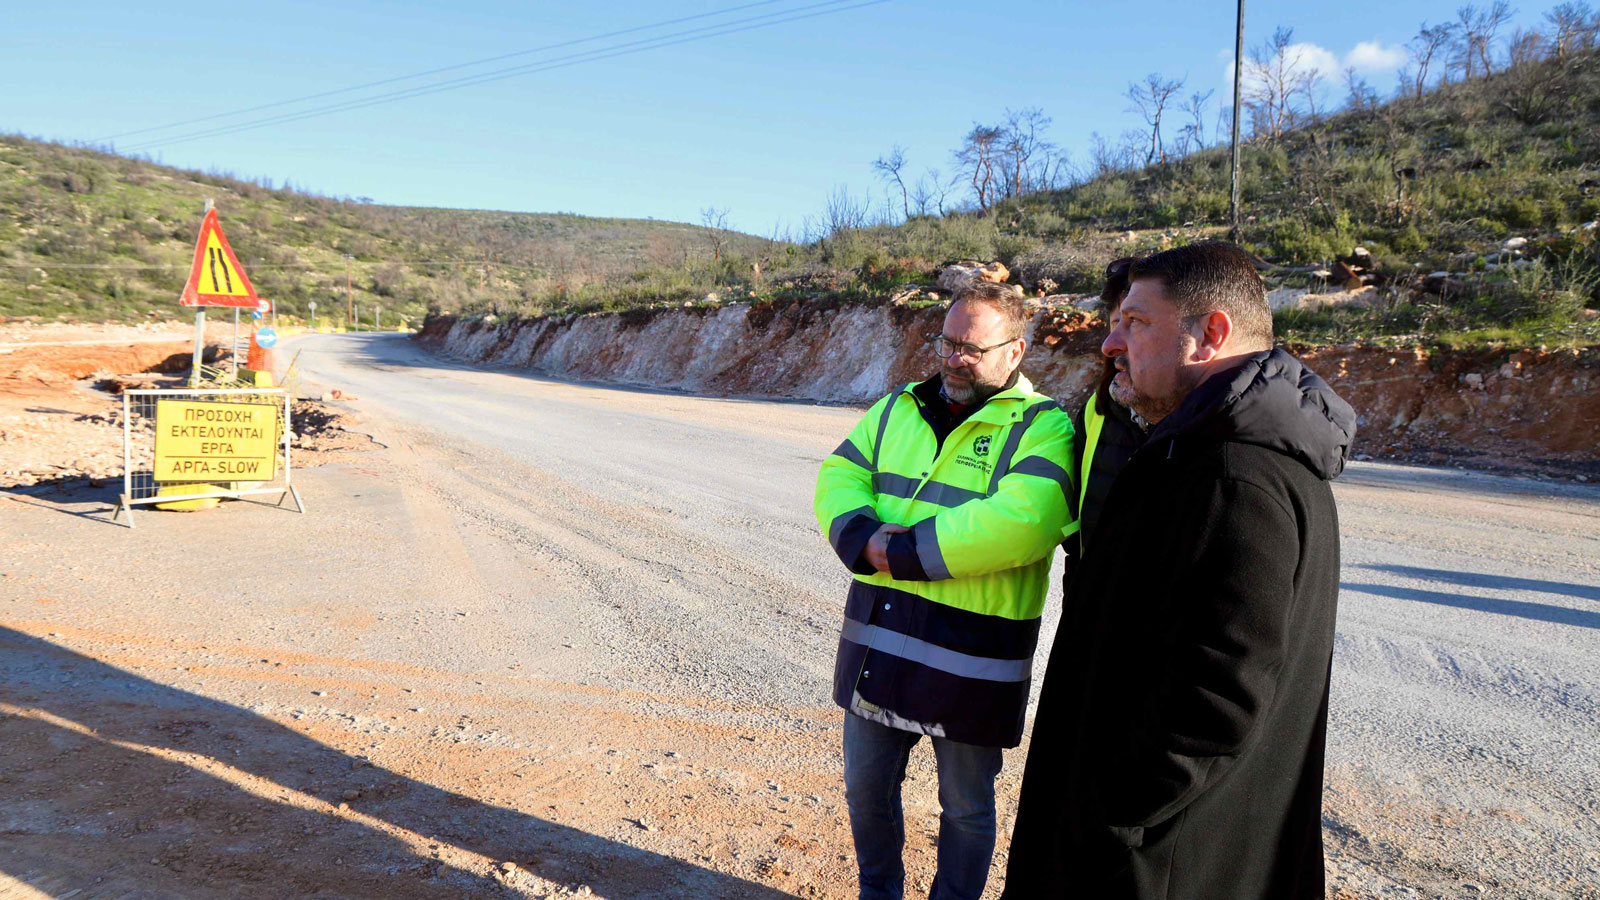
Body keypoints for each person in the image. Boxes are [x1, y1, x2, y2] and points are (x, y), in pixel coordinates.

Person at [1001, 241, 1357, 900]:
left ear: (1211, 334)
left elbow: (1218, 698)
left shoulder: (1233, 475)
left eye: (1135, 323)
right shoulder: (1206, 456)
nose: (1111, 343)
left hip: (1153, 865)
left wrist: (1109, 816)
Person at [814, 281, 1076, 900]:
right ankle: (879, 893)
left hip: (971, 658)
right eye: (947, 342)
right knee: (864, 787)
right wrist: (861, 534)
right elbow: (840, 473)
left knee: (964, 807)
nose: (954, 358)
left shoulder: (1044, 427)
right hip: (882, 636)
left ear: (1015, 353)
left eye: (972, 348)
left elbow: (1023, 522)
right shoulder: (898, 406)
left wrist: (895, 550)